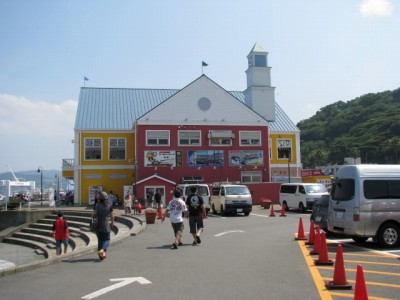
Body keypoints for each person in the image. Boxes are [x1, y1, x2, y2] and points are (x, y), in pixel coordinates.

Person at [93, 191, 114, 260]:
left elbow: (94, 214)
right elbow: (112, 215)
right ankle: (102, 250)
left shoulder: (97, 205)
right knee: (107, 239)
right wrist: (112, 223)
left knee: (100, 240)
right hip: (105, 225)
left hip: (98, 225)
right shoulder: (109, 205)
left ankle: (101, 255)